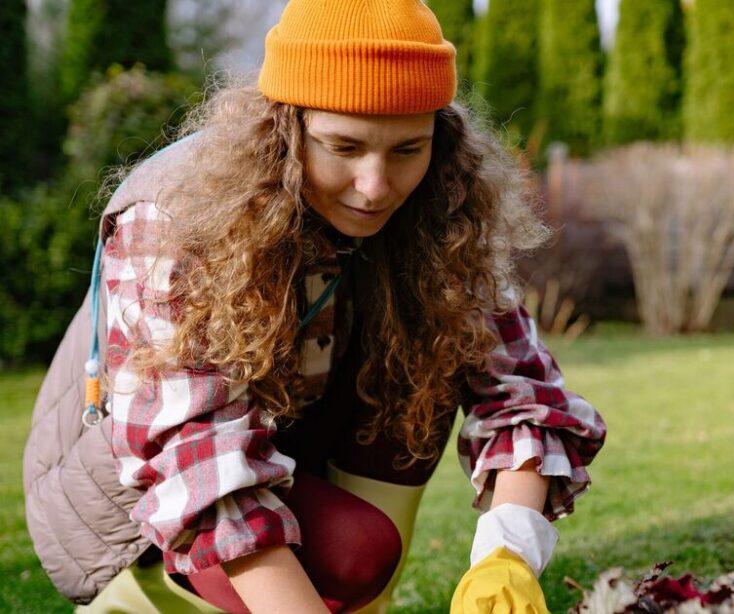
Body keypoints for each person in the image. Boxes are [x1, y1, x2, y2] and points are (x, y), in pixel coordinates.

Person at [22, 0, 606, 612]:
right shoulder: (173, 219)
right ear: (283, 130)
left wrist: (508, 554)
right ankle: (154, 601)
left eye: (408, 149)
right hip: (136, 504)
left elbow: (522, 389)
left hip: (289, 438)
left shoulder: (441, 204)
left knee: (439, 346)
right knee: (357, 551)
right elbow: (200, 468)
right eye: (343, 147)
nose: (376, 186)